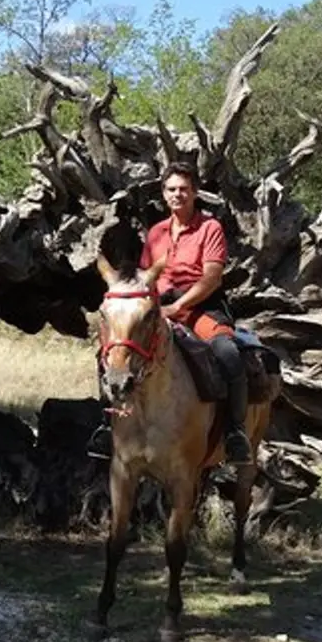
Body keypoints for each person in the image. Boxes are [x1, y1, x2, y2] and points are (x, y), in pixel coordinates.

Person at [91, 162, 252, 464]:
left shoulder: (210, 228)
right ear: (164, 194)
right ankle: (108, 424)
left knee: (227, 352)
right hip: (158, 307)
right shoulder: (156, 232)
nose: (177, 194)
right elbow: (144, 279)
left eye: (183, 189)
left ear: (195, 193)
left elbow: (211, 278)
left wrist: (178, 306)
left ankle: (235, 433)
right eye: (171, 189)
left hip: (200, 306)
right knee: (110, 351)